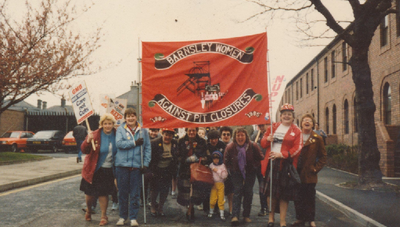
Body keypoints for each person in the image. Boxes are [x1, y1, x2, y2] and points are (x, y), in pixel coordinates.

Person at [261, 103, 303, 227]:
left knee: (284, 194)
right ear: (280, 116)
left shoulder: (297, 131)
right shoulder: (272, 127)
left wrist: (283, 154)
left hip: (286, 165)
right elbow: (262, 143)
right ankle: (271, 218)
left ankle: (283, 221)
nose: (286, 116)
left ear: (293, 117)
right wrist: (267, 139)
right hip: (271, 163)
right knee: (271, 193)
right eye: (284, 114)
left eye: (289, 114)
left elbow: (298, 148)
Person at [115, 108, 151, 227]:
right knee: (123, 193)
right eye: (128, 116)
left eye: (133, 116)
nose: (130, 118)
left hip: (136, 166)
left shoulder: (143, 131)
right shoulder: (120, 129)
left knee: (135, 193)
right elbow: (119, 144)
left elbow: (147, 148)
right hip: (122, 166)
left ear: (136, 117)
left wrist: (145, 164)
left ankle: (133, 217)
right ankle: (122, 216)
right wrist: (134, 143)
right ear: (125, 118)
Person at [79, 113, 117, 226]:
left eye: (110, 123)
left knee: (103, 193)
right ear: (101, 124)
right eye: (105, 123)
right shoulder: (94, 134)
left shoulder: (117, 134)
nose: (107, 126)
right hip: (93, 169)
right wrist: (87, 141)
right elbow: (84, 150)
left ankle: (103, 216)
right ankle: (89, 210)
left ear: (113, 124)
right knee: (90, 194)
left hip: (108, 169)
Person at [292, 114, 327, 227]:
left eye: (309, 121)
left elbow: (323, 156)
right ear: (301, 123)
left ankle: (311, 219)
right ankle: (300, 219)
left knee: (310, 197)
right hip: (297, 171)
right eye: (304, 120)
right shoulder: (296, 136)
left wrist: (316, 168)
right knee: (298, 197)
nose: (307, 122)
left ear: (313, 124)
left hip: (310, 173)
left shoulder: (317, 138)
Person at [225, 127, 264, 225]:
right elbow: (226, 160)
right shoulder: (230, 146)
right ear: (235, 137)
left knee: (248, 192)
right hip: (236, 172)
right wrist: (231, 169)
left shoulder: (253, 145)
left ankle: (246, 215)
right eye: (238, 135)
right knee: (237, 192)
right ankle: (235, 216)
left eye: (242, 135)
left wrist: (254, 166)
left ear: (246, 136)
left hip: (250, 172)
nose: (240, 137)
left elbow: (260, 157)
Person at [176, 127, 210, 222]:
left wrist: (200, 159)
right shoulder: (181, 141)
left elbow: (207, 156)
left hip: (197, 170)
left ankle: (190, 210)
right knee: (186, 192)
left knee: (194, 191)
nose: (191, 132)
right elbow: (177, 155)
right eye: (189, 130)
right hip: (184, 170)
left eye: (193, 130)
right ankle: (189, 208)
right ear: (186, 131)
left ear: (196, 131)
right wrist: (185, 159)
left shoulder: (202, 141)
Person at [149, 128, 178, 217]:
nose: (167, 137)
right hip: (157, 169)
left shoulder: (175, 143)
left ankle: (160, 207)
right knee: (154, 189)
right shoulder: (154, 142)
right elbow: (151, 158)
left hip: (168, 169)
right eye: (166, 134)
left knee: (165, 190)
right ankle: (153, 206)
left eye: (170, 135)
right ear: (162, 134)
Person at [202, 129, 227, 214]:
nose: (214, 141)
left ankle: (217, 207)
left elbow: (225, 157)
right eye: (211, 139)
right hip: (209, 170)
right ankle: (206, 207)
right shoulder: (206, 146)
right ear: (209, 139)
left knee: (218, 189)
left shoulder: (222, 145)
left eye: (215, 138)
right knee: (207, 190)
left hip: (219, 171)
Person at [251, 124, 268, 216]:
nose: (261, 128)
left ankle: (264, 208)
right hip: (256, 164)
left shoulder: (269, 134)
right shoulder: (255, 134)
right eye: (260, 126)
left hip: (265, 164)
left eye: (263, 126)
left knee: (263, 187)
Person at [208, 150, 228, 220]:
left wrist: (217, 171)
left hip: (221, 184)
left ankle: (222, 214)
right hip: (213, 185)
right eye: (214, 158)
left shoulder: (222, 165)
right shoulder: (211, 165)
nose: (216, 160)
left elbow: (224, 176)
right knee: (212, 199)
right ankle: (211, 212)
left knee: (221, 199)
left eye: (217, 158)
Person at [219, 126, 234, 215]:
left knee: (230, 193)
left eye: (228, 134)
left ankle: (231, 210)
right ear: (221, 136)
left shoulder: (233, 146)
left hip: (230, 172)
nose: (226, 136)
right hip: (218, 173)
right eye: (224, 134)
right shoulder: (218, 145)